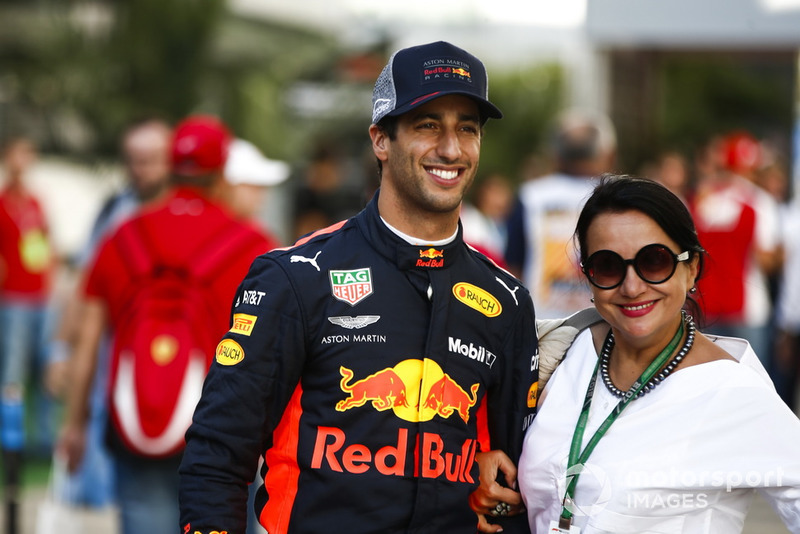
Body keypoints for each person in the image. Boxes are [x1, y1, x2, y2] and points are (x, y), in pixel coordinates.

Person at [179, 40, 539, 534]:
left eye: (467, 129)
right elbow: (218, 451)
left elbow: (517, 479)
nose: (451, 149)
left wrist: (500, 503)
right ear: (381, 140)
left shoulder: (506, 300)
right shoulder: (295, 276)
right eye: (428, 125)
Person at [516, 176, 800, 533]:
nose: (632, 287)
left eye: (654, 261)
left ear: (692, 267)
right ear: (588, 277)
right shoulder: (566, 355)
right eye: (608, 266)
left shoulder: (733, 390)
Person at [57, 115, 275, 534]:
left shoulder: (123, 237)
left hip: (137, 420)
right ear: (224, 173)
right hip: (225, 431)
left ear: (170, 166)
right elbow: (271, 351)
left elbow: (88, 343)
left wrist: (74, 425)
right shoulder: (255, 245)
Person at [47, 117, 173, 509]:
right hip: (116, 356)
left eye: (151, 160)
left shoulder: (189, 214)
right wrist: (60, 348)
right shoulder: (115, 213)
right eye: (134, 160)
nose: (142, 170)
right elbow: (86, 291)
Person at [504, 108, 617, 318]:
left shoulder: (530, 197)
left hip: (543, 326)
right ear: (607, 153)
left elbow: (513, 270)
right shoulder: (621, 194)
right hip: (609, 326)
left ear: (554, 154)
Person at [0, 136, 56, 533]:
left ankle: (44, 441)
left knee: (45, 370)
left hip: (41, 299)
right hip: (12, 301)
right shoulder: (3, 203)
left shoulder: (35, 202)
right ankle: (11, 441)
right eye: (18, 153)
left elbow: (44, 246)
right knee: (13, 373)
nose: (25, 160)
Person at [687, 132, 782, 364]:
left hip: (703, 305)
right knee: (752, 383)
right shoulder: (760, 202)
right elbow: (766, 261)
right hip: (748, 308)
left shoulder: (700, 197)